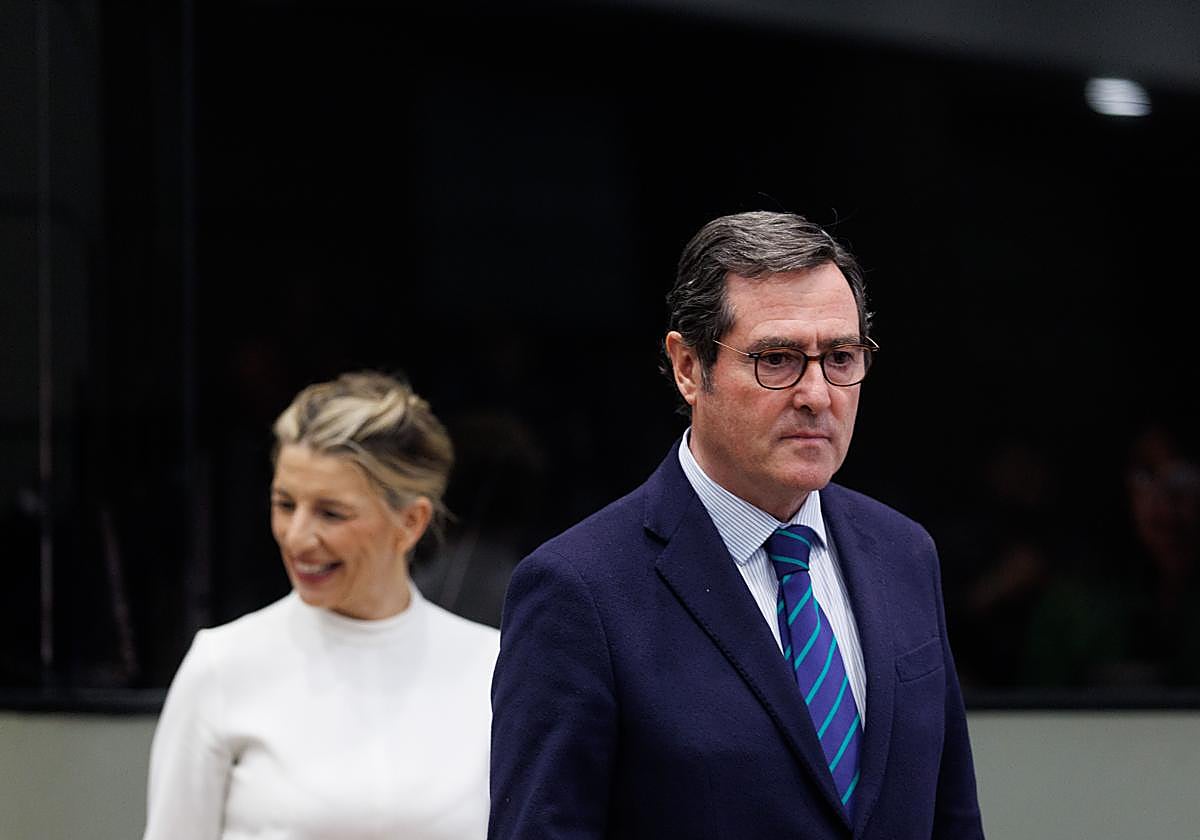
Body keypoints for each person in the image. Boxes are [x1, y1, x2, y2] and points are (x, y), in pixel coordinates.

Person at [489, 211, 985, 838]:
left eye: (840, 356)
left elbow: (952, 819)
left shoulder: (903, 553)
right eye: (776, 359)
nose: (816, 394)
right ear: (689, 368)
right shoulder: (577, 590)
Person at [144, 370, 499, 840]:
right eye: (285, 504)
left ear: (410, 523)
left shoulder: (492, 667)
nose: (297, 537)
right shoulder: (223, 664)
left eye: (331, 513)